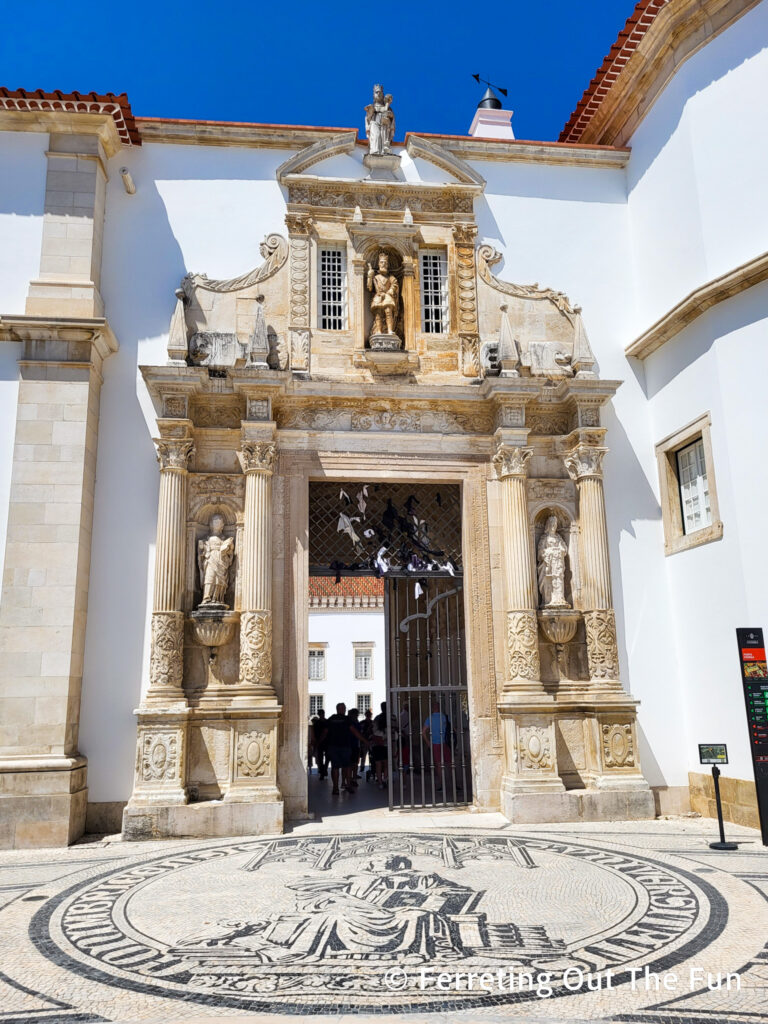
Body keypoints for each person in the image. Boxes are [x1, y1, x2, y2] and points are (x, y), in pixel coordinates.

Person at [322, 703, 365, 796]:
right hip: (345, 746)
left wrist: (320, 742)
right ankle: (347, 785)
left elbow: (325, 732)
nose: (344, 710)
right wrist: (364, 740)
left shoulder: (331, 718)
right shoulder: (347, 719)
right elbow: (354, 731)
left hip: (333, 746)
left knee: (335, 767)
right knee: (347, 766)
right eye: (343, 708)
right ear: (340, 709)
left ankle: (336, 788)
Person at [422, 701, 451, 791]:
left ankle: (442, 785)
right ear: (439, 708)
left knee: (438, 765)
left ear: (432, 708)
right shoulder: (444, 717)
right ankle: (453, 784)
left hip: (435, 744)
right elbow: (452, 728)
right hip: (445, 743)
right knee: (449, 763)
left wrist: (428, 742)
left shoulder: (429, 718)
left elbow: (423, 732)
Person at [371, 702, 390, 789]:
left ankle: (380, 783)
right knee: (386, 764)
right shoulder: (390, 717)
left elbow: (373, 731)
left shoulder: (376, 718)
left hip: (376, 745)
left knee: (378, 765)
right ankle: (385, 779)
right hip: (385, 744)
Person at [312, 709, 327, 779]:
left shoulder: (317, 723)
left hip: (322, 742)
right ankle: (323, 771)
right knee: (322, 758)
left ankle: (323, 771)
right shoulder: (326, 722)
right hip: (322, 742)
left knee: (323, 758)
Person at [360, 708, 374, 781]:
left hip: (370, 741)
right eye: (368, 715)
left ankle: (369, 766)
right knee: (364, 755)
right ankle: (362, 767)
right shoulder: (363, 723)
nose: (369, 716)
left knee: (370, 755)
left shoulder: (372, 723)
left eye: (370, 715)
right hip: (366, 741)